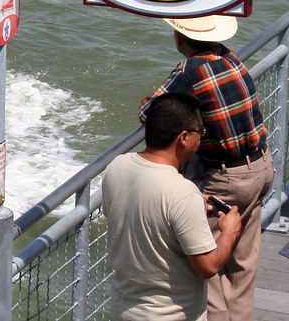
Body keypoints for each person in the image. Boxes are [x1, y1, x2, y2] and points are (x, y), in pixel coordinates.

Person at [139, 15, 274, 321]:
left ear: (179, 39)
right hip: (260, 167)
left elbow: (150, 112)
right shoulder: (230, 57)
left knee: (206, 269)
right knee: (242, 268)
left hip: (226, 179)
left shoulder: (191, 70)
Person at [103, 93, 242, 321]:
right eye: (201, 132)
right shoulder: (182, 193)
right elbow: (207, 266)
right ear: (184, 137)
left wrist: (194, 205)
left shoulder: (117, 166)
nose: (201, 139)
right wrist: (230, 231)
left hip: (123, 311)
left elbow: (147, 209)